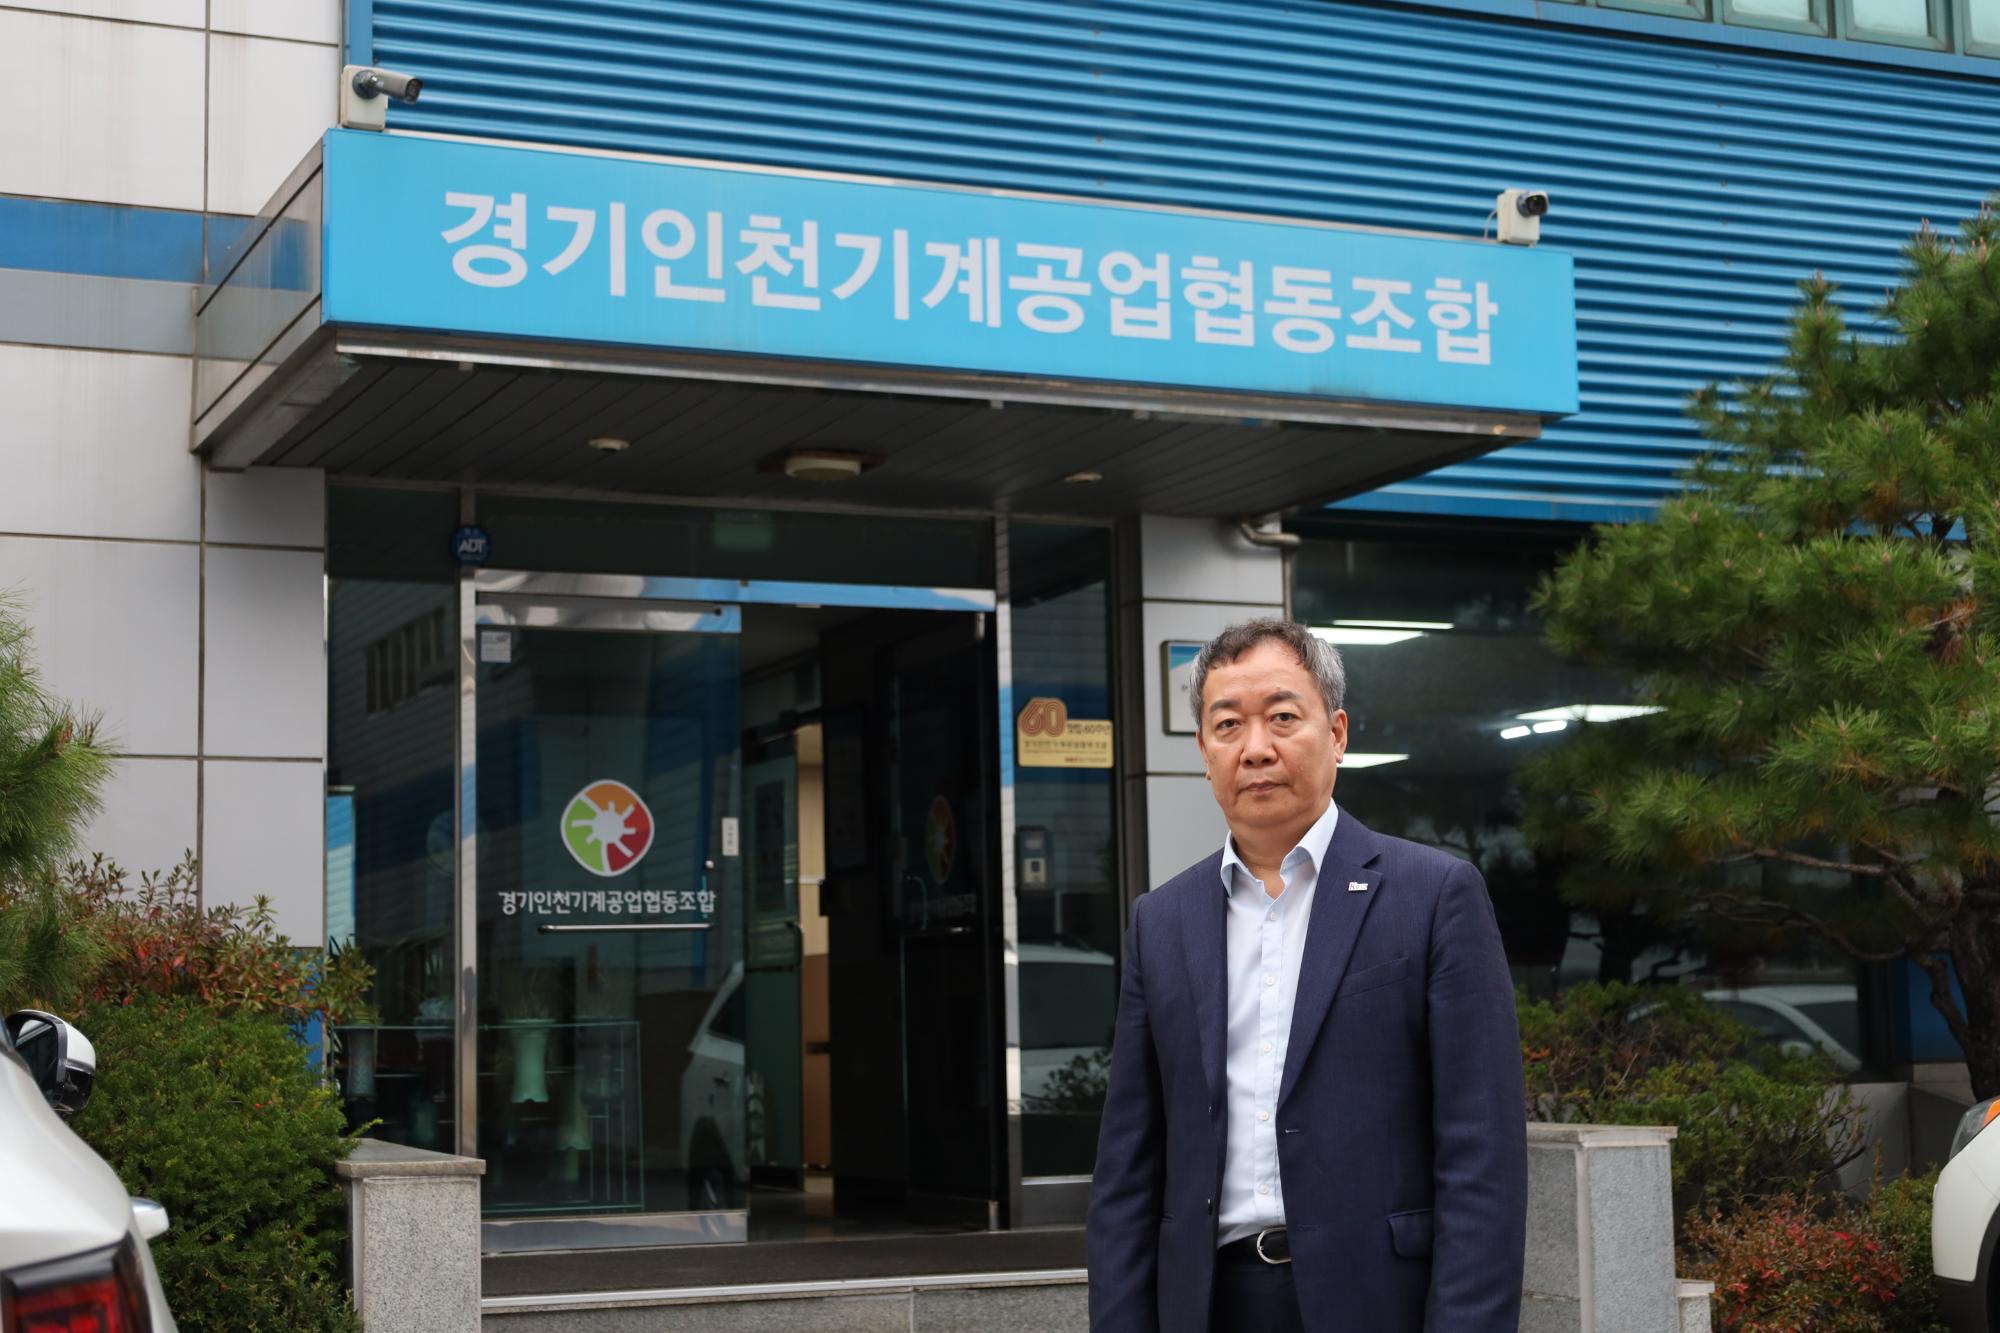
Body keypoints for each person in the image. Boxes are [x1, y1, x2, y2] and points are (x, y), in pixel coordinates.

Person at [1087, 619, 1526, 1332]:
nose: (1256, 747)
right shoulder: (1160, 921)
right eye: (1228, 724)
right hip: (1208, 1302)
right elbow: (1127, 1170)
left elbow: (1483, 1153)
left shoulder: (1433, 895)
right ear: (1203, 751)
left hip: (1379, 1302)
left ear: (1338, 733)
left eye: (1283, 717)